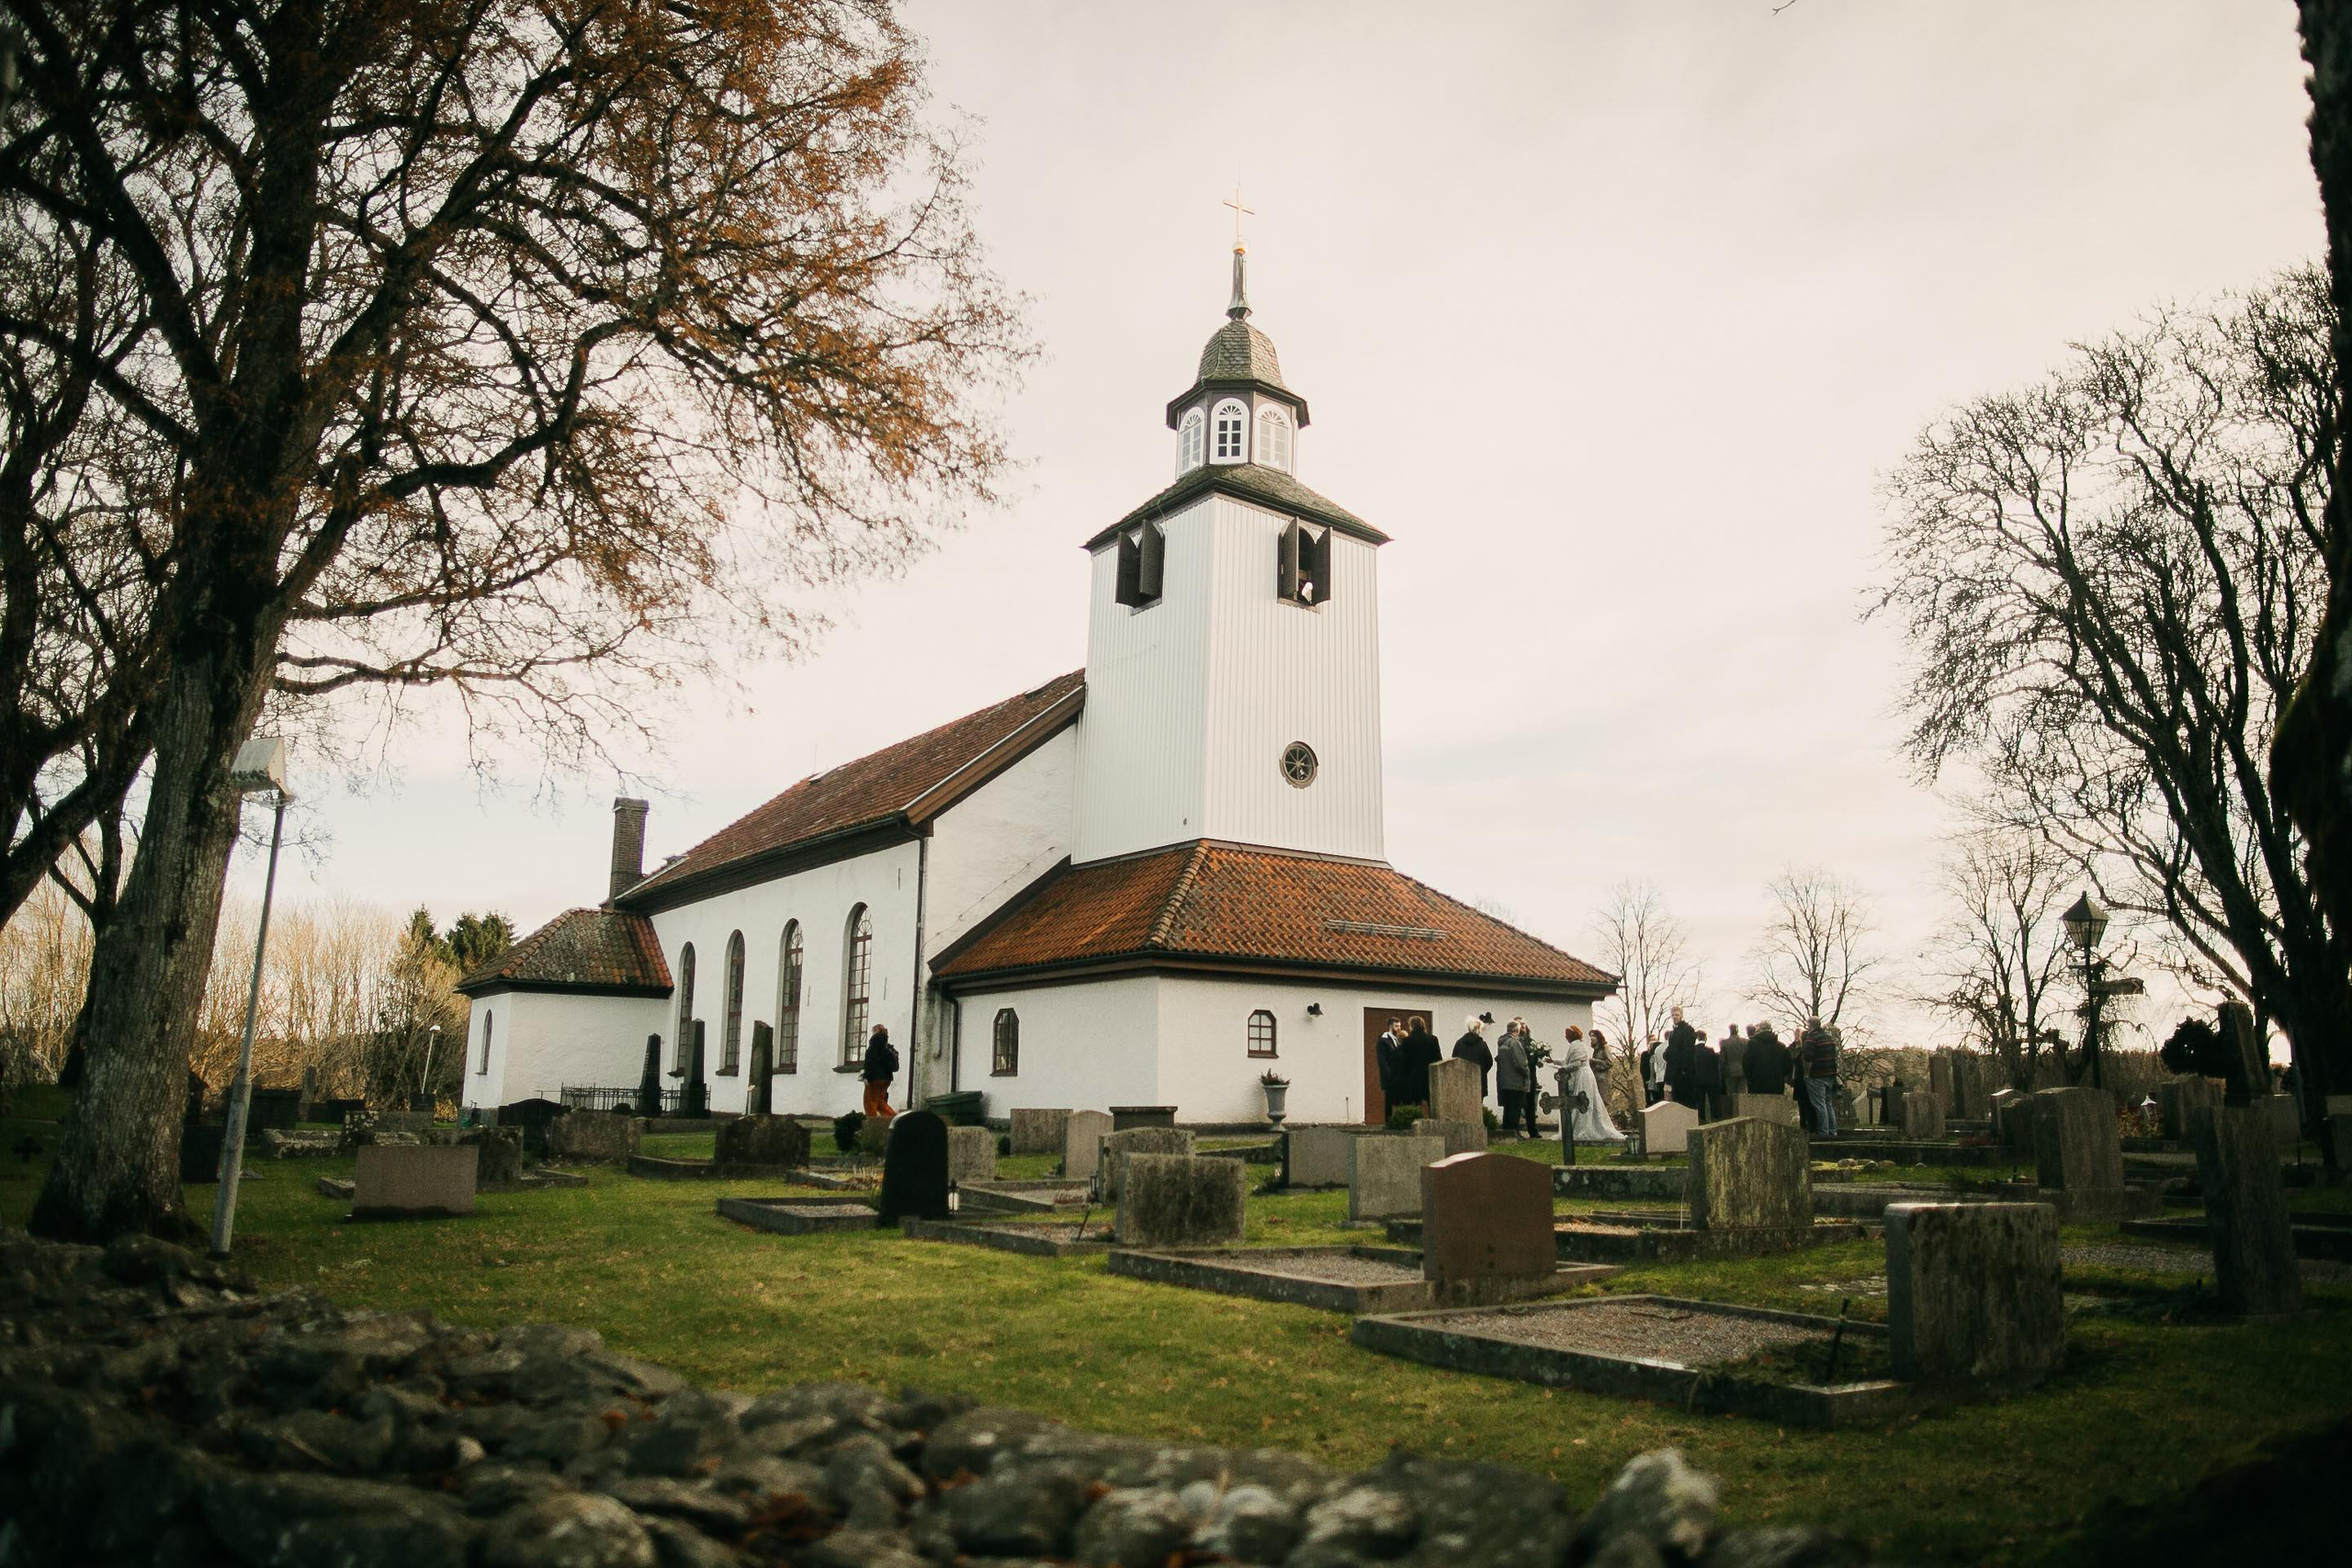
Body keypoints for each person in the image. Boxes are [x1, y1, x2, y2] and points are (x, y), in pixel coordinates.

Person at [1558, 1025, 1629, 1144]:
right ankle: (1582, 1126)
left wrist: (1564, 1068)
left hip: (1585, 1076)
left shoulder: (1579, 1046)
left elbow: (1576, 1063)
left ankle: (1587, 1127)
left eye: (1567, 1035)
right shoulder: (1577, 1045)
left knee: (1587, 1101)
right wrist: (1556, 1062)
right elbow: (1568, 1061)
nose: (1565, 1037)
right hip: (1586, 1075)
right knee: (1586, 1101)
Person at [1800, 1018, 1840, 1136]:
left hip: (1817, 1076)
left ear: (1810, 1026)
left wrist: (1807, 1074)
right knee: (1828, 1104)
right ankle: (1833, 1131)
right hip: (1830, 1075)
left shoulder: (1811, 1039)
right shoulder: (1829, 1039)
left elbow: (1808, 1058)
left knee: (1819, 1105)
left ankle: (1823, 1132)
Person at [1497, 1021, 1536, 1139]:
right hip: (1516, 1080)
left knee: (1508, 1108)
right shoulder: (1514, 1043)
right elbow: (1520, 1063)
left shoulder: (1502, 1043)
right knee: (1515, 1108)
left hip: (1505, 1080)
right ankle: (1514, 1132)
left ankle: (1506, 1132)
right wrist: (1526, 1073)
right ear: (1516, 1030)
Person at [1664, 1007, 1703, 1110]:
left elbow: (1688, 1052)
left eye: (1676, 1015)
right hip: (1675, 1072)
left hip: (1684, 1072)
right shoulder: (1673, 1032)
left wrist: (1683, 1069)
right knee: (1677, 1101)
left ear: (1681, 1015)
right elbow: (1671, 1050)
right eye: (1673, 1015)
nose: (1674, 1017)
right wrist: (1667, 1055)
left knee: (1686, 1101)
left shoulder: (1688, 1030)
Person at [1398, 1016, 1442, 1109]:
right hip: (1429, 1076)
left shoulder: (1407, 1041)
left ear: (1412, 1026)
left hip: (1413, 1077)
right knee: (1432, 1104)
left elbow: (1404, 1062)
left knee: (1415, 1105)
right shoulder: (1433, 1039)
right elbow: (1438, 1059)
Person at [860, 1024, 899, 1121]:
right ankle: (894, 1120)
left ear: (875, 1032)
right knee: (881, 1102)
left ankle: (872, 1124)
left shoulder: (874, 1045)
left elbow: (870, 1063)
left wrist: (866, 1076)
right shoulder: (887, 1047)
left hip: (874, 1079)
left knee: (870, 1103)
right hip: (887, 1078)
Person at [1452, 1014, 1495, 1100]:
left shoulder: (1459, 1043)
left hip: (1462, 1081)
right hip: (1478, 1081)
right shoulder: (1482, 1045)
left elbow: (1454, 1059)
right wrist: (1481, 1071)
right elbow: (1489, 1062)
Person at [1375, 1018, 1404, 1113]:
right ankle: (1389, 1122)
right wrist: (1389, 1074)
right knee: (1389, 1101)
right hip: (1390, 1076)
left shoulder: (1399, 1039)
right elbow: (1382, 1059)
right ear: (1390, 1026)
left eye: (1400, 1026)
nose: (1399, 1028)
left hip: (1399, 1076)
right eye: (1396, 1026)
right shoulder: (1383, 1041)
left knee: (1399, 1100)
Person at [1719, 1024, 1747, 1100]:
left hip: (1730, 1072)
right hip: (1743, 1071)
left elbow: (1722, 1060)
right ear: (1737, 1030)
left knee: (1731, 1096)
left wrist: (1721, 1074)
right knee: (1743, 1095)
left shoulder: (1725, 1043)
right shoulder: (1745, 1042)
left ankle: (1732, 1111)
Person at [1642, 1033, 1668, 1106]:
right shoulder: (1645, 1054)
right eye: (1652, 1040)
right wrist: (1647, 1079)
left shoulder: (1658, 1052)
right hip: (1650, 1080)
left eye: (1655, 1040)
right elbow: (1643, 1068)